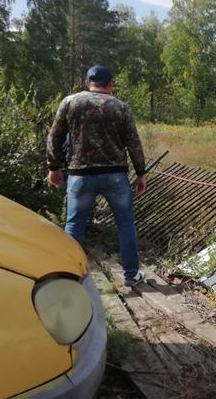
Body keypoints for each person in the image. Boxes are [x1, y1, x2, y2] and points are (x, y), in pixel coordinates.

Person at [47, 65, 147, 286]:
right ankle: (131, 275)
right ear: (110, 84)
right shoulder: (121, 107)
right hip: (115, 176)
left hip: (80, 175)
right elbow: (133, 142)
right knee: (125, 224)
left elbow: (54, 136)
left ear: (87, 83)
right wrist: (141, 173)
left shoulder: (70, 102)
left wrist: (54, 167)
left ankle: (68, 278)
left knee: (74, 226)